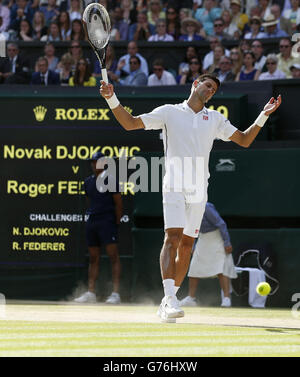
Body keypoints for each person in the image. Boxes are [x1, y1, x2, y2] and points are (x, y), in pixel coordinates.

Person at [99, 73, 281, 322]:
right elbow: (130, 123)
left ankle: (168, 300)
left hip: (198, 190)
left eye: (214, 90)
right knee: (172, 237)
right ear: (195, 84)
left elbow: (245, 140)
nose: (210, 91)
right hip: (173, 185)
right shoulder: (168, 112)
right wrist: (111, 98)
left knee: (187, 246)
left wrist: (264, 114)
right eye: (207, 85)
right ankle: (171, 299)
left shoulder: (215, 119)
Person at [74, 152, 122, 305]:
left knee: (113, 257)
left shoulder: (111, 180)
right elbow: (90, 202)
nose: (94, 165)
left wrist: (115, 222)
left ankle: (115, 294)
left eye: (97, 162)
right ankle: (91, 292)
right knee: (93, 258)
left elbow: (119, 204)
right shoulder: (88, 182)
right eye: (92, 162)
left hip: (107, 222)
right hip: (92, 223)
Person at [179, 202, 237, 308]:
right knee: (194, 267)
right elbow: (190, 229)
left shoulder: (206, 207)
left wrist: (227, 242)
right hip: (202, 239)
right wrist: (193, 246)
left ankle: (226, 298)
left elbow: (221, 224)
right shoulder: (186, 211)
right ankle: (191, 299)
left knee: (221, 269)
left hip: (217, 238)